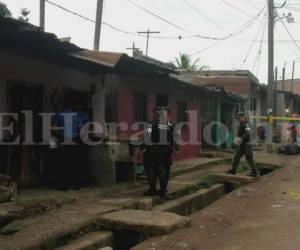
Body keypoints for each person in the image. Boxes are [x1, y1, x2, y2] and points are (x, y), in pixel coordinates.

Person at [142, 107, 179, 198]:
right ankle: (161, 190)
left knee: (154, 171)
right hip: (165, 151)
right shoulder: (170, 124)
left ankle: (155, 190)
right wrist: (176, 150)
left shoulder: (151, 125)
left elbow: (147, 136)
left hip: (154, 152)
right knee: (163, 171)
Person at [227, 111, 258, 177]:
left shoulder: (247, 124)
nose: (239, 119)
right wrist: (236, 140)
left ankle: (254, 171)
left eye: (240, 117)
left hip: (247, 143)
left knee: (249, 157)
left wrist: (242, 139)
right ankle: (233, 170)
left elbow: (249, 133)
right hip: (242, 144)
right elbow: (239, 134)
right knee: (237, 156)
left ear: (244, 117)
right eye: (238, 118)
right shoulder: (241, 124)